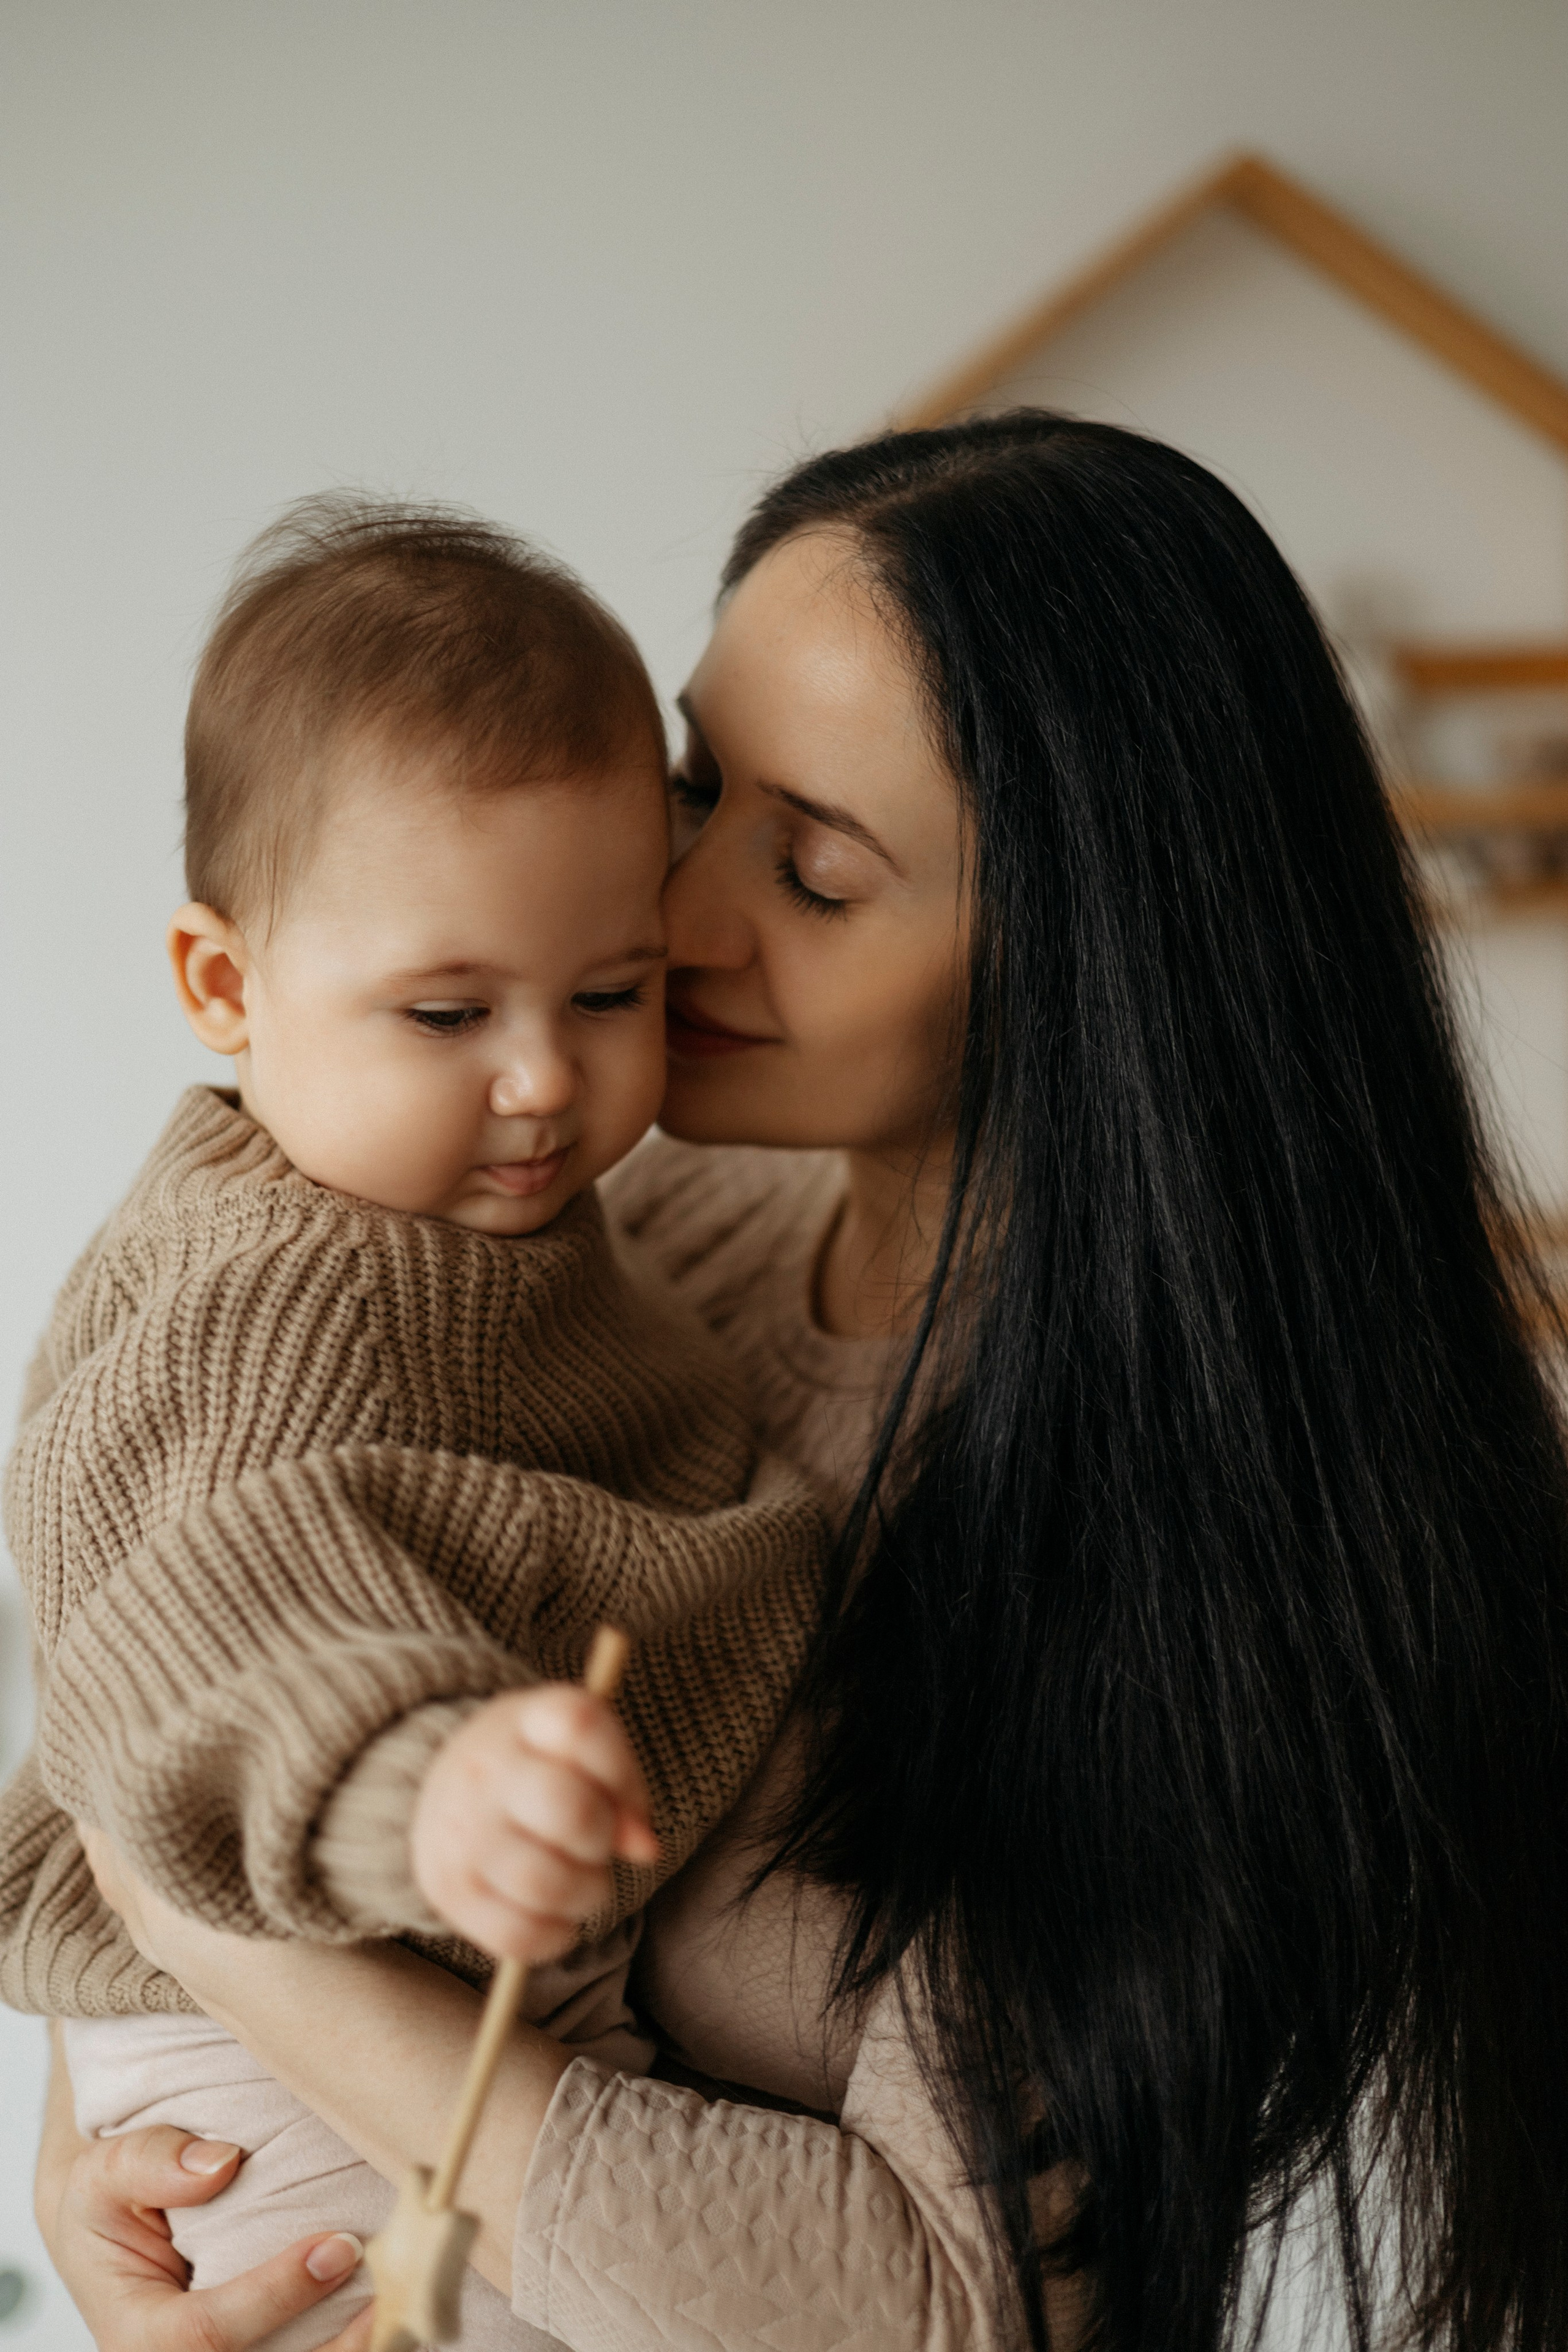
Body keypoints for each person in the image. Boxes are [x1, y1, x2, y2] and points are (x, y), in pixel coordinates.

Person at [37, 412, 1568, 2352]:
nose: (667, 917)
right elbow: (216, 1585)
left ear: (1090, 964)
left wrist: (241, 1962)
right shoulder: (623, 1236)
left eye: (817, 871)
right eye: (697, 786)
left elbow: (953, 2308)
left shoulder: (1187, 1542)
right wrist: (122, 2168)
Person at [2, 498, 824, 2349]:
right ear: (224, 987)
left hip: (419, 2013)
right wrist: (424, 1778)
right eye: (447, 1013)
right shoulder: (273, 1298)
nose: (541, 1079)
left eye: (610, 993)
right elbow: (220, 1605)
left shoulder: (500, 1232)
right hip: (290, 2070)